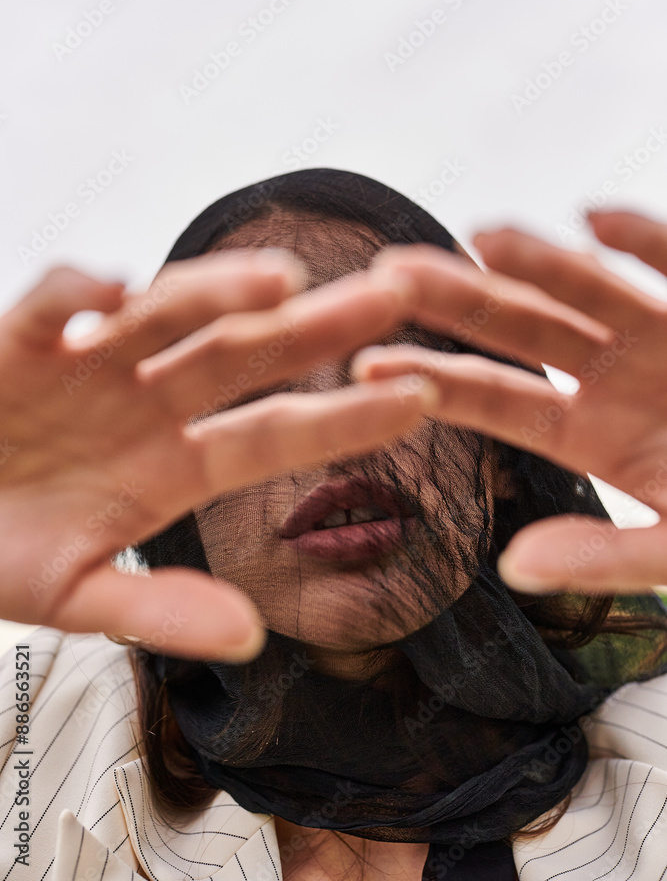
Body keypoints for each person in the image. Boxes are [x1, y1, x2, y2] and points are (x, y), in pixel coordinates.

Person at [0, 169, 666, 880]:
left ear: (498, 452)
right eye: (251, 398)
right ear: (173, 490)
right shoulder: (29, 711)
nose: (330, 439)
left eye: (392, 368)